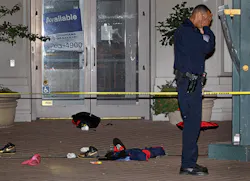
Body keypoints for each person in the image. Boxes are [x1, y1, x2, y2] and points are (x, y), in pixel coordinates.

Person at [173, 4, 215, 176]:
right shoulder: (187, 32)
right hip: (189, 84)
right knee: (192, 124)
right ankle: (188, 165)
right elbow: (208, 47)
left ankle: (189, 162)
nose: (208, 24)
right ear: (200, 15)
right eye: (208, 20)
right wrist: (207, 31)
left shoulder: (188, 32)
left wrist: (204, 33)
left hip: (191, 83)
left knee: (192, 124)